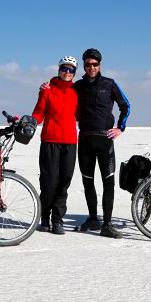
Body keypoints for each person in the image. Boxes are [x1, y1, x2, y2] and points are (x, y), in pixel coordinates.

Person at [44, 48, 130, 238]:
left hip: (105, 140)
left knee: (108, 182)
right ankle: (93, 219)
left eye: (95, 64)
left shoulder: (109, 84)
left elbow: (125, 105)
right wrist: (48, 86)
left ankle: (107, 223)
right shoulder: (78, 86)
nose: (91, 67)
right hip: (84, 140)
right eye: (88, 64)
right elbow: (61, 86)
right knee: (87, 181)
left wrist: (120, 128)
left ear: (100, 65)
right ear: (83, 66)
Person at [30, 56, 79, 234]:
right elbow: (39, 112)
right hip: (50, 140)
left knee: (63, 183)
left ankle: (57, 220)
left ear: (75, 73)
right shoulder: (47, 89)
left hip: (70, 142)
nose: (67, 72)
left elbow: (82, 114)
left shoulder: (76, 91)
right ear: (58, 70)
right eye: (64, 69)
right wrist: (31, 122)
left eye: (71, 70)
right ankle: (44, 217)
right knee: (49, 182)